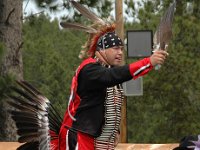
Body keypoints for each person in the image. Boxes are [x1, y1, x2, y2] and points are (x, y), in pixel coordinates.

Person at [58, 24, 168, 150]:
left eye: (121, 49)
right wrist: (149, 62)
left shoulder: (104, 70)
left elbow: (108, 100)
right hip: (76, 134)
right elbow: (113, 75)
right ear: (103, 49)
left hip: (88, 136)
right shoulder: (90, 69)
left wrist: (113, 130)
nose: (120, 53)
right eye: (116, 48)